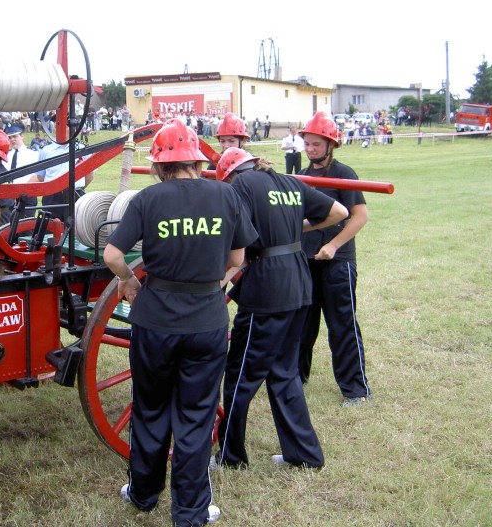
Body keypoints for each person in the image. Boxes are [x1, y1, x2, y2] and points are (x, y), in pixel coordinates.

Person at [104, 119, 257, 527]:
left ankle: (142, 494)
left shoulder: (147, 200)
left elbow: (113, 255)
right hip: (206, 322)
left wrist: (130, 283)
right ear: (195, 158)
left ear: (159, 164)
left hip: (154, 322)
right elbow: (238, 260)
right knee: (196, 415)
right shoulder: (226, 195)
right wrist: (212, 285)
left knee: (150, 408)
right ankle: (190, 511)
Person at [212, 147, 348, 472]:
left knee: (240, 375)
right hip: (299, 283)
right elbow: (339, 212)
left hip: (267, 288)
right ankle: (304, 455)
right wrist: (293, 228)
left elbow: (236, 243)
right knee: (284, 373)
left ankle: (230, 458)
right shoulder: (289, 182)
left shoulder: (239, 188)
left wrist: (217, 281)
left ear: (229, 174)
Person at [297, 112, 372, 407]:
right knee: (302, 323)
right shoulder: (302, 176)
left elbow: (360, 217)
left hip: (337, 263)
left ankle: (356, 390)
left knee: (342, 325)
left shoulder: (345, 174)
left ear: (331, 144)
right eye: (308, 143)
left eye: (317, 144)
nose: (311, 149)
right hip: (306, 259)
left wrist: (333, 245)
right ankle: (296, 377)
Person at [32, 136, 93, 224]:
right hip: (52, 198)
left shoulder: (82, 149)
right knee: (50, 228)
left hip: (75, 195)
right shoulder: (46, 150)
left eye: (67, 125)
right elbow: (41, 177)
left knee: (77, 228)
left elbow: (89, 176)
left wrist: (74, 188)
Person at [4, 123, 40, 220]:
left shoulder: (33, 154)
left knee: (25, 227)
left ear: (22, 136)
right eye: (10, 137)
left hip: (27, 196)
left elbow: (38, 176)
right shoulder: (6, 156)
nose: (12, 140)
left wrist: (23, 191)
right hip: (9, 197)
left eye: (15, 136)